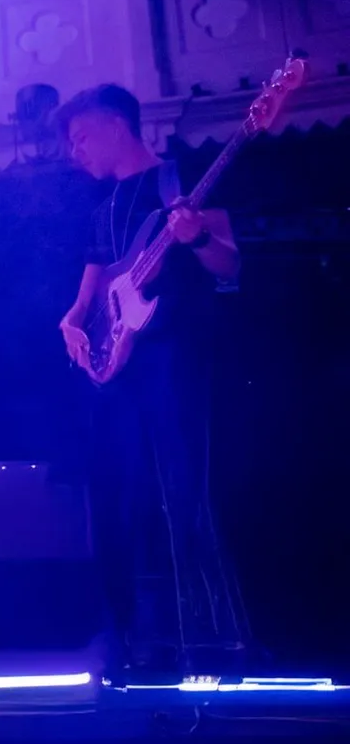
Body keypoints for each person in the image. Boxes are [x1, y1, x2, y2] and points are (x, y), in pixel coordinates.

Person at [56, 84, 250, 681]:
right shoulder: (101, 210)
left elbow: (229, 263)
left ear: (118, 125)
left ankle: (214, 643)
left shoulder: (178, 179)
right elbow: (91, 292)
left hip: (175, 355)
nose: (75, 152)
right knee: (129, 502)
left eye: (82, 137)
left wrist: (196, 238)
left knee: (185, 493)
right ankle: (145, 639)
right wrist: (72, 322)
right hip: (120, 369)